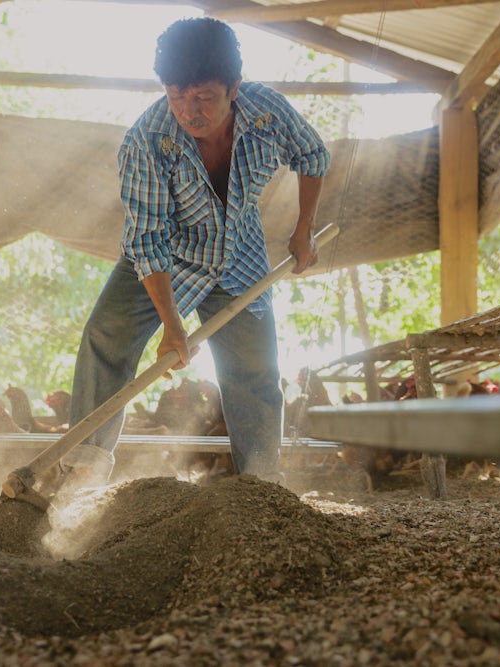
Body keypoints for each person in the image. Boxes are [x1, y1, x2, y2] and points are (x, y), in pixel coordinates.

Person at [61, 16, 331, 486]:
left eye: (204, 96)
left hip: (240, 256)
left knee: (256, 373)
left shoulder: (266, 112)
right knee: (106, 336)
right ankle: (82, 468)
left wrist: (303, 228)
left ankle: (261, 488)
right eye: (176, 95)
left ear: (235, 88)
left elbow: (313, 155)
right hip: (166, 259)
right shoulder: (146, 141)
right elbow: (148, 239)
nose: (190, 110)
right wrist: (172, 326)